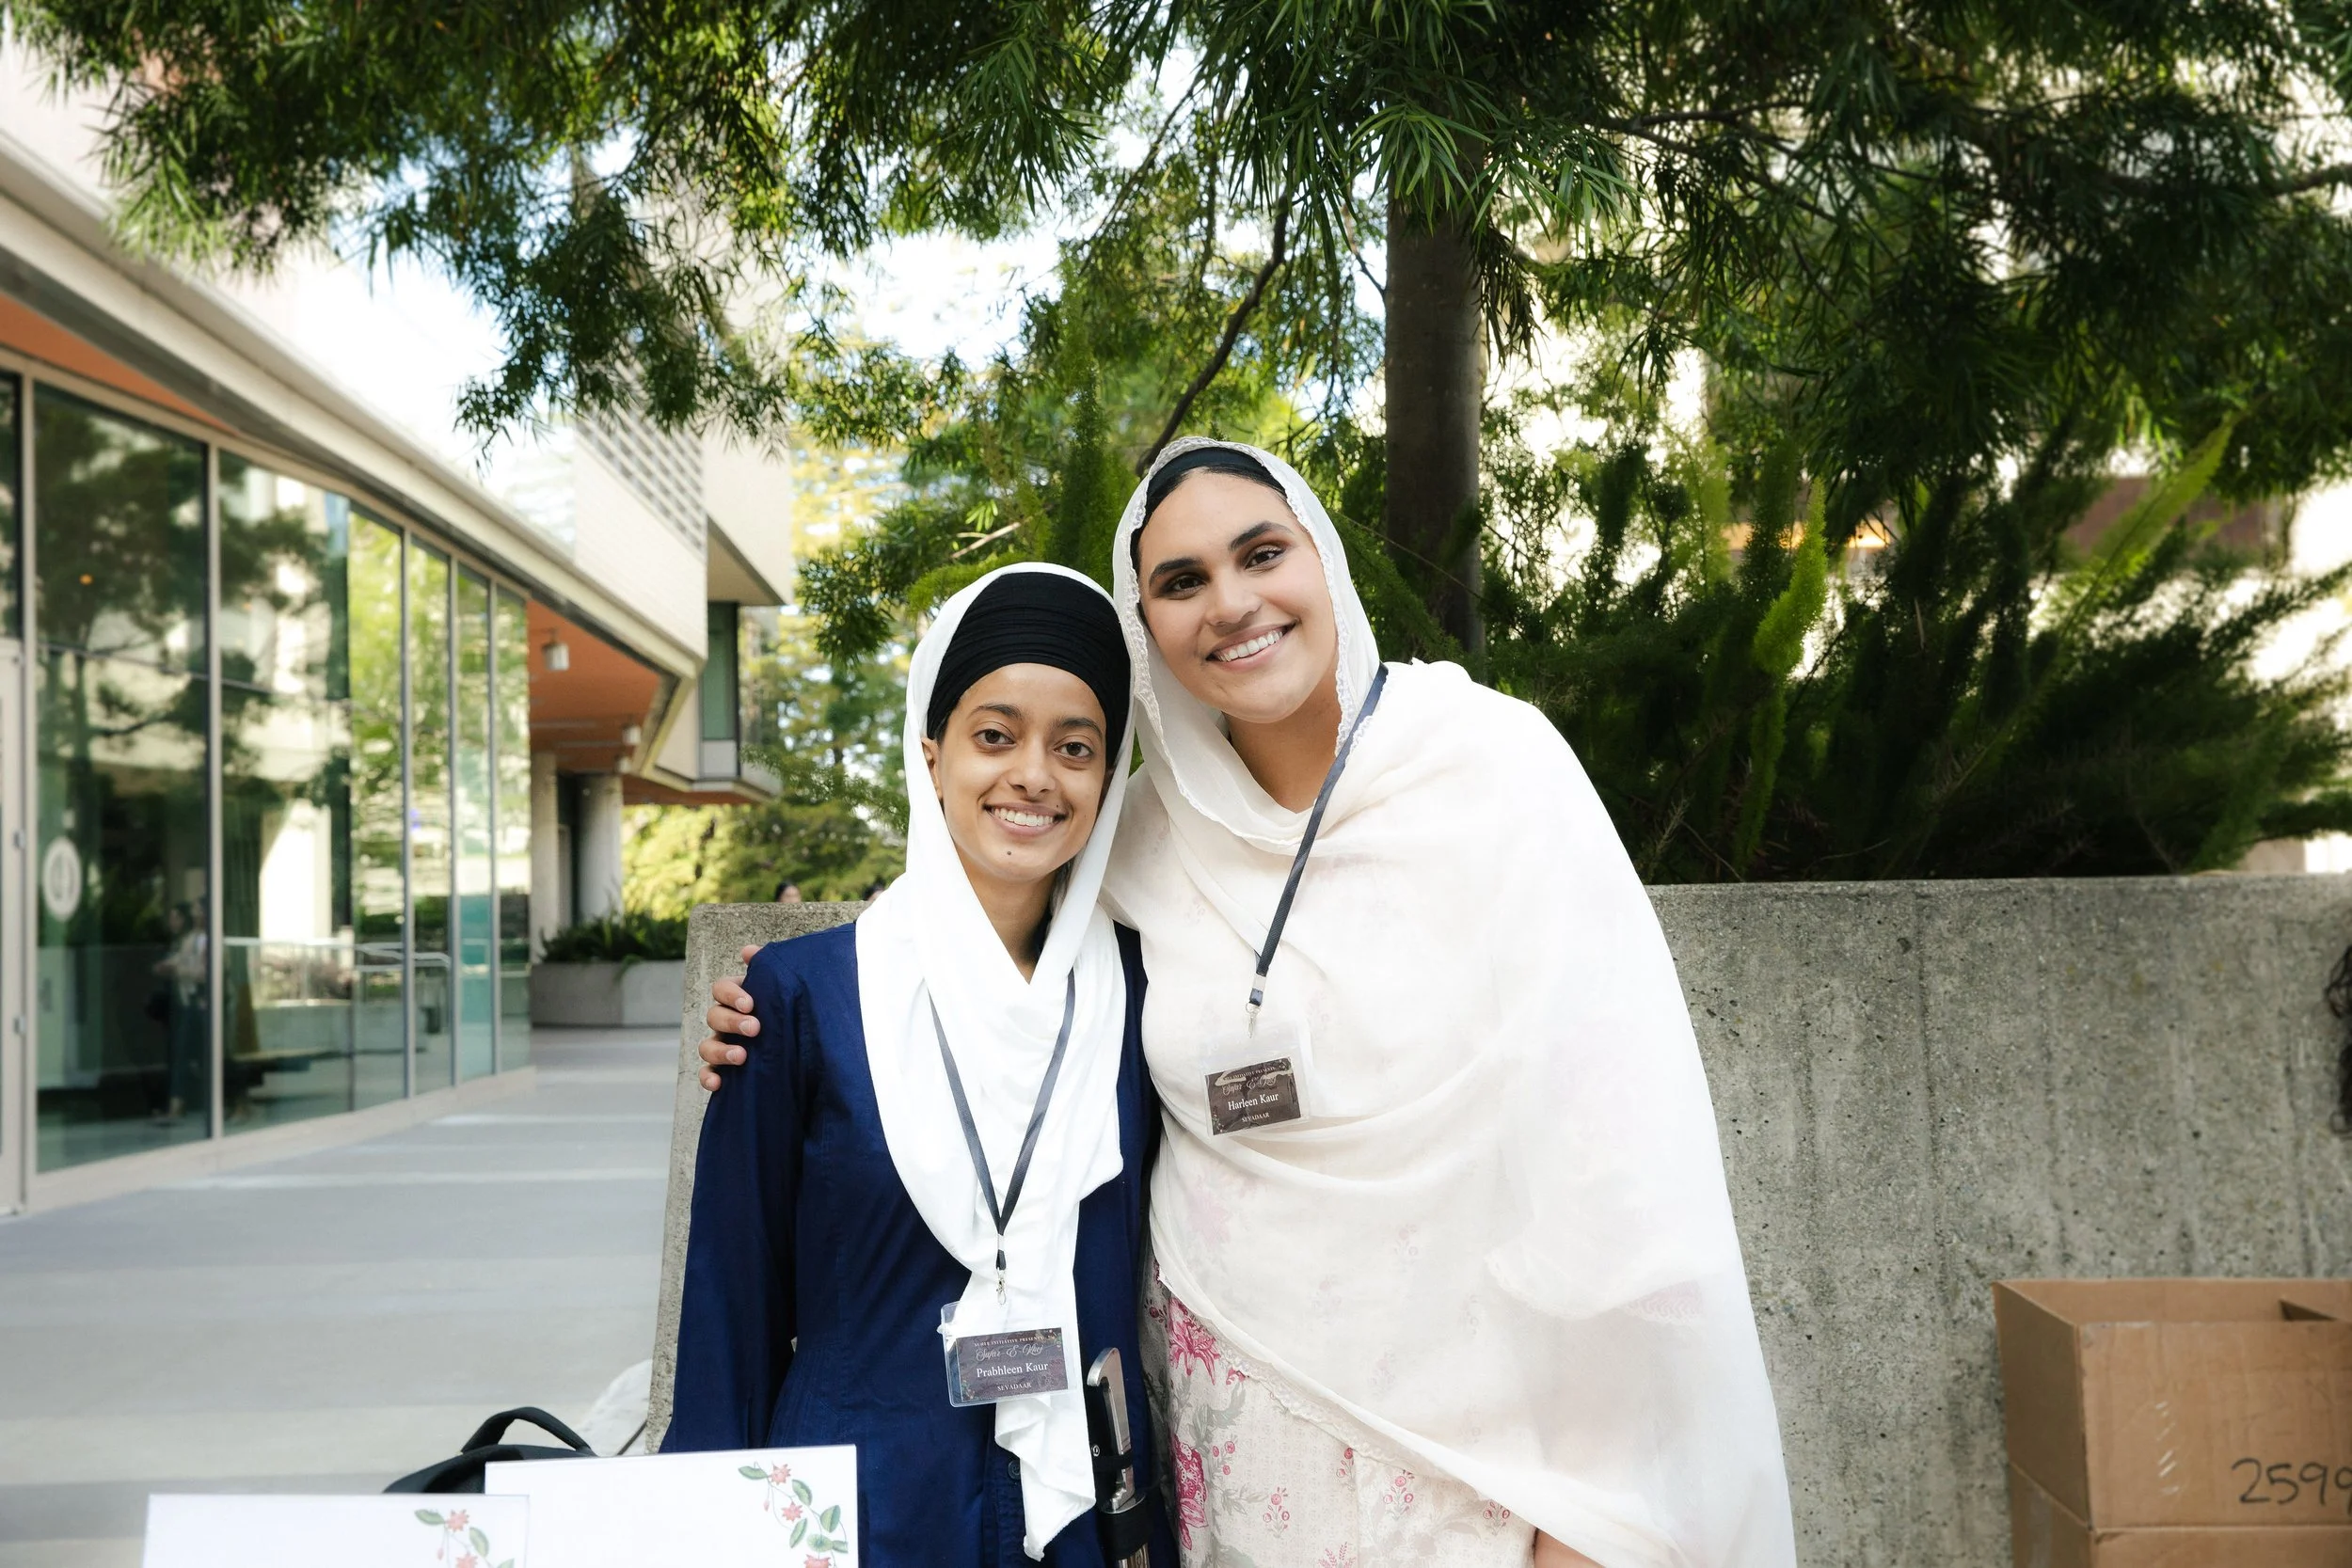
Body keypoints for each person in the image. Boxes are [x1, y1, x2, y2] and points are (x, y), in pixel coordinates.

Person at [698, 442, 1797, 1567]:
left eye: (1260, 552)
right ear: (1148, 621)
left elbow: (1620, 1162)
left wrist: (1592, 1515)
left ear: (1320, 554)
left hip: (1482, 1464)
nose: (1230, 603)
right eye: (1179, 581)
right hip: (1229, 1457)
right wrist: (793, 1005)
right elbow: (981, 905)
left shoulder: (1488, 770)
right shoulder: (1141, 840)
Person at [668, 563, 1175, 1567]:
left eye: (1075, 747)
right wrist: (702, 1521)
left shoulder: (1145, 992)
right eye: (995, 735)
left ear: (1108, 778)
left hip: (1086, 1508)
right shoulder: (802, 997)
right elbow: (733, 1302)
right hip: (856, 1506)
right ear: (932, 752)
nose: (1034, 773)